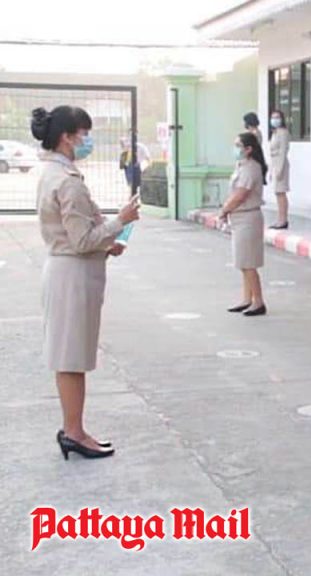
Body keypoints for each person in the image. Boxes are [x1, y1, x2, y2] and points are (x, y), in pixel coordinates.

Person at [32, 106, 141, 460]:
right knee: (71, 358)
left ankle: (74, 429)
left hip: (67, 271)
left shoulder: (54, 172)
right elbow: (80, 241)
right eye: (84, 133)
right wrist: (120, 221)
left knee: (71, 356)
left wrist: (108, 244)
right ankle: (74, 432)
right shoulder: (67, 181)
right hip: (72, 276)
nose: (87, 140)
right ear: (67, 136)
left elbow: (76, 234)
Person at [218, 132, 269, 317]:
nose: (235, 149)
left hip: (248, 217)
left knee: (248, 263)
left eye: (238, 146)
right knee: (242, 262)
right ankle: (247, 299)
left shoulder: (252, 168)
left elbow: (241, 195)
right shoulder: (241, 165)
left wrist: (224, 210)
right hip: (240, 218)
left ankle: (258, 302)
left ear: (248, 149)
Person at [268, 110, 290, 230]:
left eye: (277, 117)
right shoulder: (274, 133)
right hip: (275, 163)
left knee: (281, 192)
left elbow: (282, 152)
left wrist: (280, 169)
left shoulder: (283, 132)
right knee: (277, 192)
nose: (274, 120)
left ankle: (283, 220)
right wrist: (271, 170)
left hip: (281, 164)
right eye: (273, 117)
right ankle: (280, 219)